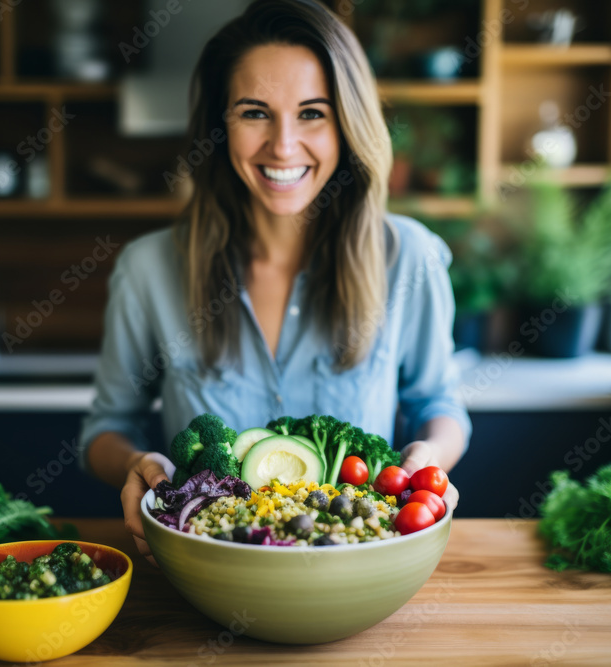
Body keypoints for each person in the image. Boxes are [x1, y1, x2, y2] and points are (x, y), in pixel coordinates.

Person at [79, 0, 470, 564]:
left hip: (355, 570)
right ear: (220, 125)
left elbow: (439, 402)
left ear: (349, 122)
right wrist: (138, 464)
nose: (283, 146)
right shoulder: (147, 269)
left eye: (313, 112)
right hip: (207, 571)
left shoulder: (409, 257)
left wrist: (426, 458)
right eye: (254, 113)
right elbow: (106, 429)